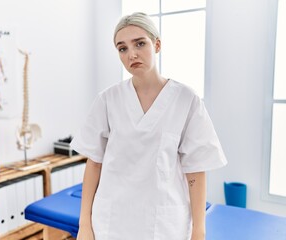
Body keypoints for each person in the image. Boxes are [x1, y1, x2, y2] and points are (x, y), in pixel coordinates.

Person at [71, 12, 227, 240]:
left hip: (163, 223)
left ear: (157, 45)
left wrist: (198, 231)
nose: (131, 54)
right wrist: (85, 224)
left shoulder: (186, 100)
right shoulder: (108, 100)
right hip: (111, 219)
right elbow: (94, 164)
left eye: (140, 43)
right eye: (122, 48)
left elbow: (195, 170)